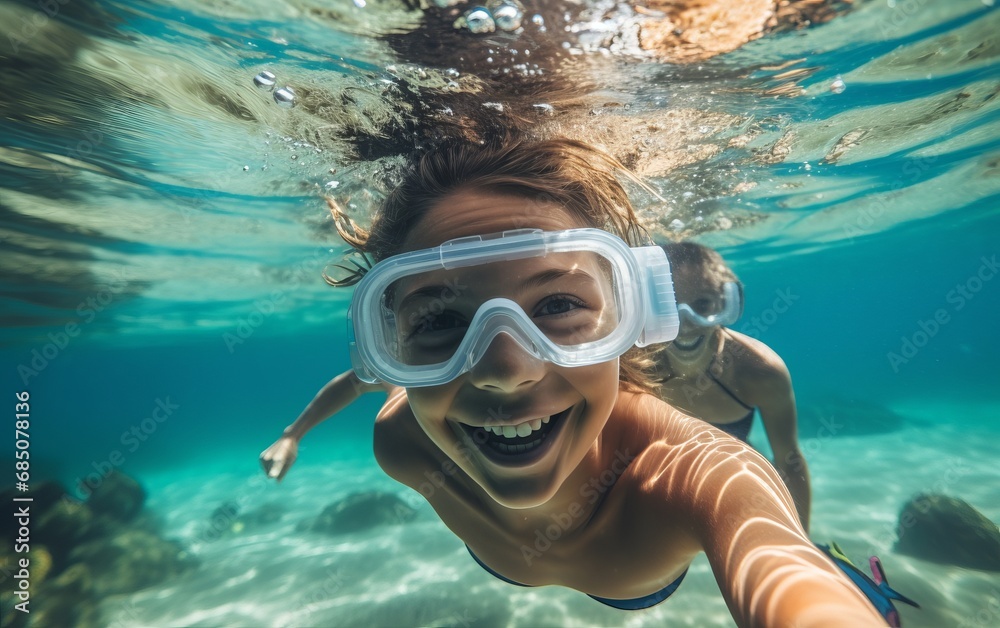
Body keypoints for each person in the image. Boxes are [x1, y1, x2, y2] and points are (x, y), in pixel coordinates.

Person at [262, 136, 916, 625]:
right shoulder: (401, 439)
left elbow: (780, 564)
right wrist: (293, 434)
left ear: (635, 316)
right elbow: (361, 380)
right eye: (439, 319)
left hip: (630, 586)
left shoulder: (693, 475)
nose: (507, 371)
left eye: (557, 307)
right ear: (392, 343)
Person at [654, 241, 812, 531]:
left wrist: (803, 543)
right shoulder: (628, 367)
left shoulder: (761, 372)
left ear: (726, 303)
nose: (686, 324)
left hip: (729, 483)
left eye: (702, 305)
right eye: (669, 306)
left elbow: (789, 462)